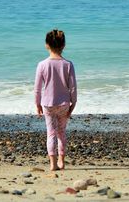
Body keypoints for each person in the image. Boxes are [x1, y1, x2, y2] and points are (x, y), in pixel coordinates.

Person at [34, 29, 77, 171]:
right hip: (64, 103)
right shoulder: (68, 64)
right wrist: (73, 103)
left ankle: (52, 164)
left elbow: (37, 88)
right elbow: (73, 87)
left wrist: (37, 103)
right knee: (61, 133)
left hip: (48, 103)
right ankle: (62, 161)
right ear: (63, 45)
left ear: (47, 45)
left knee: (51, 133)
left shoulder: (42, 65)